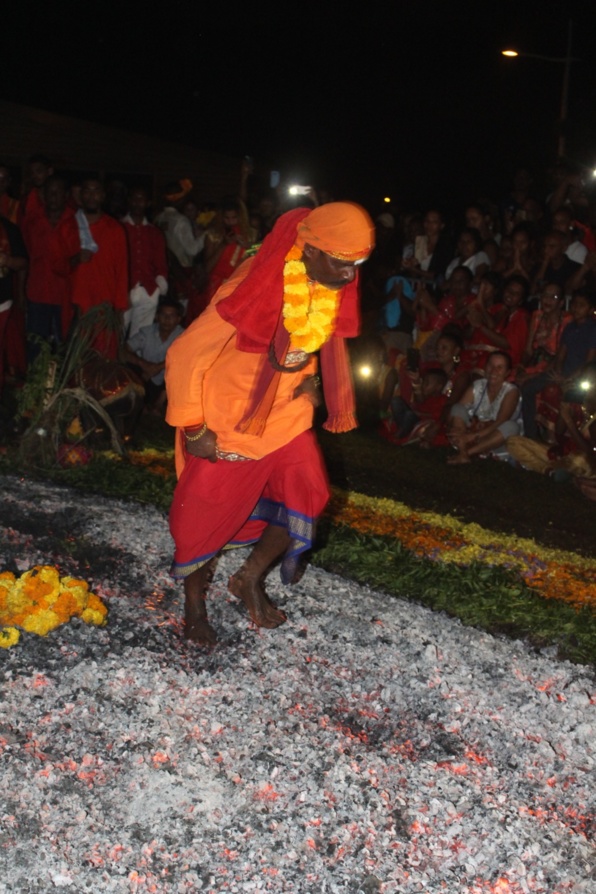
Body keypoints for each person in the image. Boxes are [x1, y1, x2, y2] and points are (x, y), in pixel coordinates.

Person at [165, 202, 374, 645]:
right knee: (203, 518)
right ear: (312, 250)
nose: (350, 277)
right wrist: (195, 428)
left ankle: (248, 578)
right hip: (227, 421)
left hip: (284, 418)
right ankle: (194, 606)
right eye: (343, 264)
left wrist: (312, 379)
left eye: (358, 265)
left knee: (308, 493)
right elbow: (184, 354)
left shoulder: (325, 280)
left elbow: (309, 335)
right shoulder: (251, 286)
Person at [55, 179, 129, 357]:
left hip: (105, 303)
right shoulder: (68, 226)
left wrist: (119, 307)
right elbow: (57, 265)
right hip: (76, 303)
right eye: (87, 191)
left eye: (96, 191)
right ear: (80, 196)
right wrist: (75, 259)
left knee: (105, 353)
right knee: (76, 354)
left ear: (103, 196)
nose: (91, 196)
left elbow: (122, 269)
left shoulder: (114, 229)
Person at [22, 176, 74, 353]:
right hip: (38, 292)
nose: (53, 196)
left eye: (58, 192)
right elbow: (26, 253)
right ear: (43, 195)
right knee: (35, 345)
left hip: (65, 295)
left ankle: (61, 381)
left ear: (65, 195)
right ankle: (36, 380)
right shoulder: (32, 220)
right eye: (49, 192)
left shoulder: (76, 221)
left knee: (63, 346)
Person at [447, 351, 522, 464]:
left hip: (494, 437)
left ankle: (466, 453)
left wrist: (471, 437)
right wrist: (459, 429)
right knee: (457, 408)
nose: (494, 371)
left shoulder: (511, 391)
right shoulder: (478, 385)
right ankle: (463, 450)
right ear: (485, 367)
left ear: (507, 373)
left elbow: (501, 421)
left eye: (499, 367)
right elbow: (459, 409)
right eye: (491, 365)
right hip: (472, 431)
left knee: (511, 427)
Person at [121, 187, 169, 338]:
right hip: (123, 290)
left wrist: (158, 287)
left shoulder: (154, 232)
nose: (137, 203)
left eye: (141, 199)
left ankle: (136, 362)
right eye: (134, 199)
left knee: (140, 337)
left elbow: (161, 262)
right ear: (129, 201)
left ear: (147, 203)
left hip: (148, 289)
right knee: (117, 333)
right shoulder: (118, 228)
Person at [123, 298, 184, 413]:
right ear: (156, 316)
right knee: (128, 365)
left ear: (178, 319)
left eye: (171, 316)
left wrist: (157, 367)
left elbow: (185, 357)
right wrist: (143, 364)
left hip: (168, 383)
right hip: (146, 376)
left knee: (182, 370)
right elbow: (124, 350)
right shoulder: (147, 332)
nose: (167, 319)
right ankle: (141, 402)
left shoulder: (184, 335)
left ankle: (159, 403)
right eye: (163, 315)